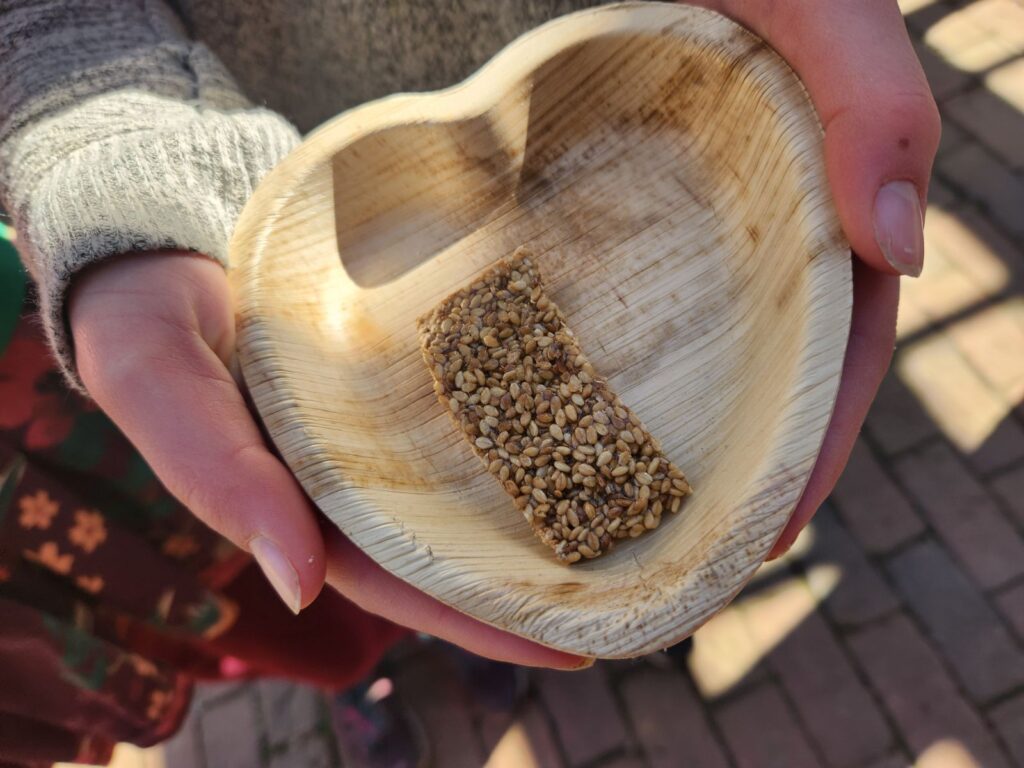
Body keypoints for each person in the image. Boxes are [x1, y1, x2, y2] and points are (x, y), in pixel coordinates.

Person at [0, 0, 938, 764]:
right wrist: (114, 162)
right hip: (276, 200)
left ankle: (638, 621)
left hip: (660, 141)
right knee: (365, 548)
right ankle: (408, 665)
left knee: (559, 582)